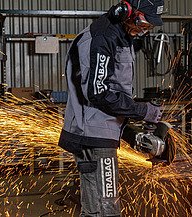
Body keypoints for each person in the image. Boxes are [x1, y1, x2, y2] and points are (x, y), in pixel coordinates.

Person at [57, 0, 164, 216]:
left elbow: (112, 96)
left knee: (95, 211)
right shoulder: (102, 37)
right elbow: (98, 93)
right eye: (142, 23)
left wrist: (131, 134)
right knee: (107, 210)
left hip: (99, 131)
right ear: (126, 11)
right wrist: (142, 110)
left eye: (148, 27)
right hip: (94, 137)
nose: (142, 31)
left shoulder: (119, 35)